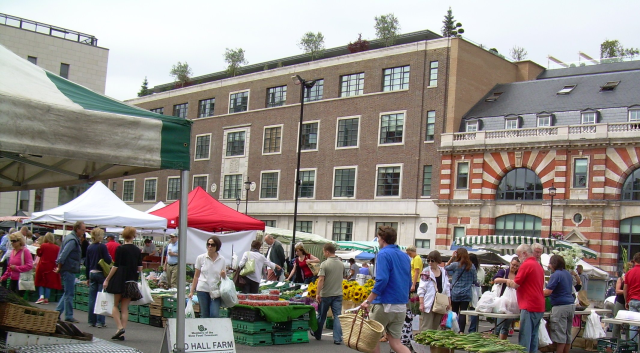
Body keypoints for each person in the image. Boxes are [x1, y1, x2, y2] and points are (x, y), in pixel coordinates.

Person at [361, 226, 411, 353]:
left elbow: (382, 279)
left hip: (384, 303)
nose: (377, 240)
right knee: (396, 343)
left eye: (378, 237)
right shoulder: (405, 256)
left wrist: (368, 300)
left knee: (372, 340)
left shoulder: (383, 254)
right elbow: (409, 281)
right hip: (401, 304)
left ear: (382, 238)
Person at [103, 226, 143, 341]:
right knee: (125, 308)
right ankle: (122, 333)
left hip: (120, 280)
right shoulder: (137, 250)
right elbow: (140, 268)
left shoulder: (120, 249)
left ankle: (120, 328)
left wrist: (107, 279)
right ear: (133, 236)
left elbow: (115, 266)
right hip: (132, 281)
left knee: (115, 305)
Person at [508, 244, 545, 353]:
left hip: (529, 305)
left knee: (525, 337)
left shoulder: (526, 265)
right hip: (539, 305)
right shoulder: (538, 266)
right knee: (533, 338)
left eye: (519, 255)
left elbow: (516, 284)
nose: (518, 258)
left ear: (524, 253)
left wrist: (507, 281)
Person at [313, 243, 344, 345]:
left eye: (323, 252)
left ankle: (317, 334)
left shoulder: (324, 264)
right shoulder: (341, 264)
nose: (323, 254)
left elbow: (321, 279)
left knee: (322, 315)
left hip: (326, 294)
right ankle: (337, 339)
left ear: (327, 251)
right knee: (337, 316)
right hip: (338, 293)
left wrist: (318, 293)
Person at [544, 255, 575, 353]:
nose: (549, 266)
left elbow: (548, 292)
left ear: (553, 264)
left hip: (560, 307)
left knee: (560, 335)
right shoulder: (567, 274)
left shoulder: (555, 274)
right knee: (567, 334)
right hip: (570, 306)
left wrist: (535, 292)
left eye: (550, 263)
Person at [189, 236, 226, 318]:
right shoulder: (201, 258)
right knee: (205, 314)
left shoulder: (222, 259)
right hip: (202, 289)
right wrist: (192, 291)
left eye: (212, 245)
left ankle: (213, 330)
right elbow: (196, 276)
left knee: (214, 314)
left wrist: (223, 275)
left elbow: (223, 277)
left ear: (217, 246)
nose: (210, 246)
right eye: (208, 244)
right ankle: (206, 330)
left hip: (215, 291)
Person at [55, 221, 85, 323]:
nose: (84, 232)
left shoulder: (71, 238)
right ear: (77, 229)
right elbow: (63, 254)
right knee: (69, 293)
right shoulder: (72, 240)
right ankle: (68, 315)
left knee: (67, 292)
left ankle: (57, 312)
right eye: (83, 230)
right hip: (68, 268)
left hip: (68, 268)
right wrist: (59, 265)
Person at [444, 248, 477, 333]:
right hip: (466, 293)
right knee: (463, 312)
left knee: (454, 312)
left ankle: (454, 330)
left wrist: (451, 258)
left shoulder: (455, 265)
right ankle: (461, 332)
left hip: (455, 292)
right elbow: (475, 280)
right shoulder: (472, 266)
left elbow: (445, 268)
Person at [417, 250, 451, 331]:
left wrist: (449, 302)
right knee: (426, 325)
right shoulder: (426, 272)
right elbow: (421, 289)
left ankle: (433, 343)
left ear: (437, 261)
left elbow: (447, 287)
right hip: (429, 301)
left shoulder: (443, 271)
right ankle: (424, 342)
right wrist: (421, 303)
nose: (430, 262)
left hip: (441, 301)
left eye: (432, 260)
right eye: (428, 260)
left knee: (437, 326)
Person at [85, 228, 112, 328]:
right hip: (101, 273)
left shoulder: (90, 247)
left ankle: (91, 320)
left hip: (92, 273)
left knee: (92, 298)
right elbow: (108, 260)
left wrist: (87, 277)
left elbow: (87, 263)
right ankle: (100, 321)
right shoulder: (102, 246)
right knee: (101, 297)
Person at [492, 257, 520, 339]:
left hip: (512, 304)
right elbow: (495, 279)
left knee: (505, 327)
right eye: (513, 265)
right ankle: (494, 343)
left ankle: (502, 345)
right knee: (498, 326)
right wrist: (506, 280)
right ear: (510, 263)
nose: (514, 267)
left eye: (516, 266)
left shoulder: (518, 274)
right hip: (501, 303)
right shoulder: (503, 272)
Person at [35, 233, 62, 304]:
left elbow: (39, 254)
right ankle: (46, 298)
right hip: (52, 266)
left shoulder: (43, 245)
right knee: (49, 283)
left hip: (43, 265)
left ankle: (41, 296)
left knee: (41, 281)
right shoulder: (57, 247)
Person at [624, 253, 640, 344]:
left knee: (633, 326)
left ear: (634, 261)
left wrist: (626, 301)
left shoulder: (629, 272)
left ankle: (633, 347)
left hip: (632, 300)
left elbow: (625, 289)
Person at [468, 253, 484, 333]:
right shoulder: (481, 270)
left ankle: (460, 330)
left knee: (464, 311)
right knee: (474, 311)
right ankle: (472, 330)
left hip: (468, 292)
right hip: (478, 293)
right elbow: (481, 281)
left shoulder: (468, 268)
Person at [613, 269, 630, 340]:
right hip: (620, 301)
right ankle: (615, 341)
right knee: (617, 322)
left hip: (628, 302)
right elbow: (617, 291)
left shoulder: (631, 278)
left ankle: (628, 342)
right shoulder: (620, 279)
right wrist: (625, 291)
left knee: (628, 325)